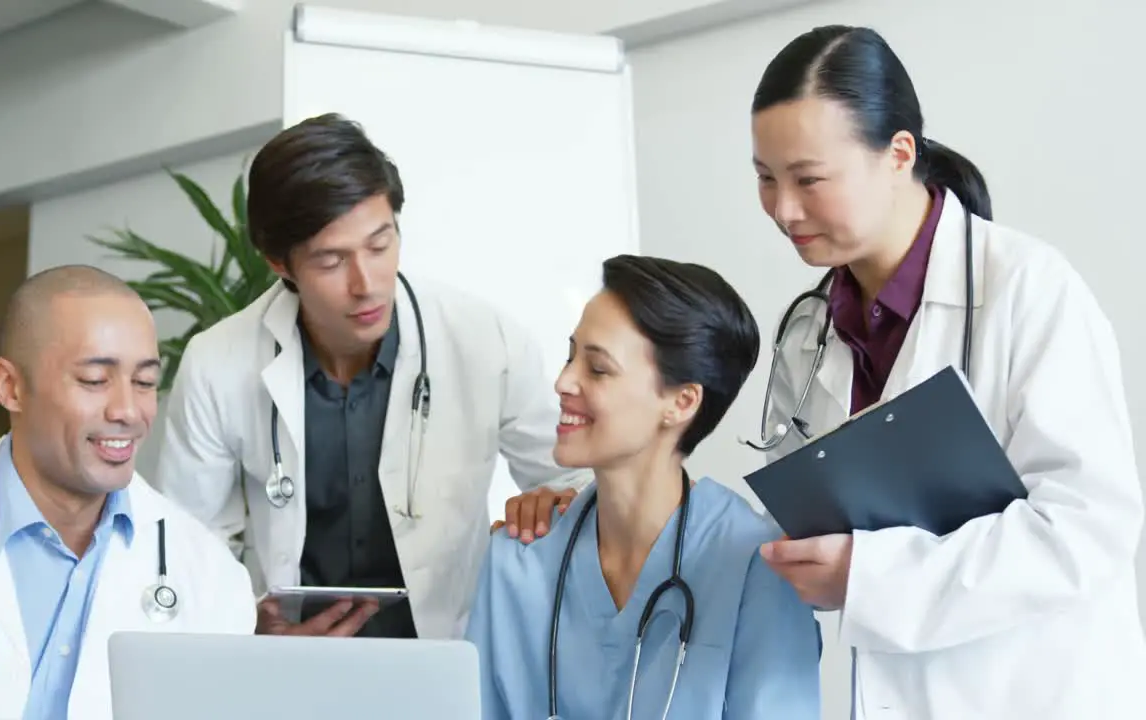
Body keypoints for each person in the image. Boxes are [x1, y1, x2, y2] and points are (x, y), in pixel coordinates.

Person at [746, 25, 1146, 720]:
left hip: (1043, 695)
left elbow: (1087, 527)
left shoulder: (1029, 289)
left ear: (898, 153)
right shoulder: (808, 332)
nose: (784, 209)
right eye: (765, 178)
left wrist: (868, 576)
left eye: (808, 179)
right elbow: (796, 523)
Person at [154, 112, 589, 641]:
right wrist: (247, 624)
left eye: (380, 245)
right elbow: (187, 545)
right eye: (331, 261)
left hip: (448, 655)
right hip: (295, 669)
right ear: (279, 263)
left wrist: (558, 499)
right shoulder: (216, 363)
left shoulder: (485, 339)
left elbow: (573, 480)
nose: (367, 284)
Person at [0, 266, 256, 720]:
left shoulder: (208, 575)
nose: (128, 410)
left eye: (146, 382)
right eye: (94, 380)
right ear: (10, 387)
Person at [465, 254, 821, 719]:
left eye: (597, 369)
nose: (562, 381)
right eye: (570, 356)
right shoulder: (519, 557)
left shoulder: (758, 566)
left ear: (681, 401)